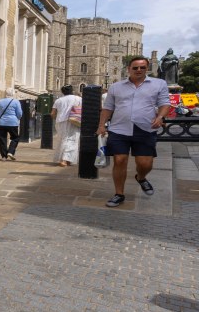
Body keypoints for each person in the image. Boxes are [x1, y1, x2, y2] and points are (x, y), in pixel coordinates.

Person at [97, 56, 171, 207]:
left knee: (145, 163)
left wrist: (160, 117)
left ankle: (141, 177)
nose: (139, 70)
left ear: (147, 68)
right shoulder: (116, 87)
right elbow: (108, 108)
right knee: (119, 160)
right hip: (119, 128)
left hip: (145, 128)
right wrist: (101, 125)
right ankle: (119, 194)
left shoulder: (159, 84)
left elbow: (165, 103)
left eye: (142, 67)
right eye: (135, 67)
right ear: (128, 69)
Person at [50, 85, 82, 166]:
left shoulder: (58, 100)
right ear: (72, 90)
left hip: (60, 121)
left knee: (63, 139)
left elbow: (52, 113)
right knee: (72, 140)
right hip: (74, 120)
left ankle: (64, 159)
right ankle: (65, 159)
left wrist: (56, 118)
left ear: (62, 91)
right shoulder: (78, 98)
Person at [0, 88, 23, 160]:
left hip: (1, 123)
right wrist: (17, 119)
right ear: (13, 94)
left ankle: (4, 156)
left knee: (2, 139)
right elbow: (19, 113)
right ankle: (10, 152)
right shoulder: (16, 102)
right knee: (15, 138)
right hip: (13, 123)